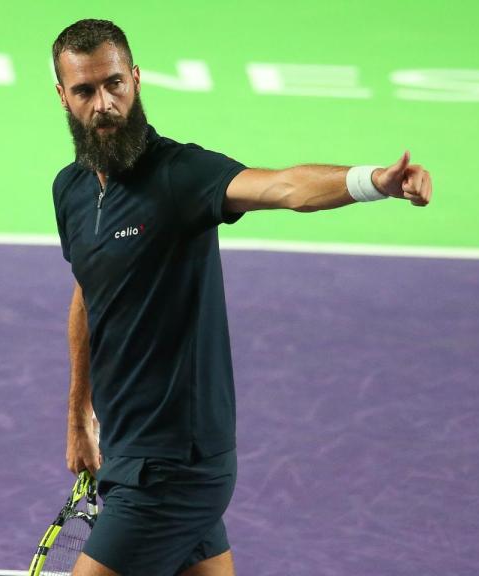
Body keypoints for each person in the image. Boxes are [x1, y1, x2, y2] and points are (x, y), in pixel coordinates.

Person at [50, 19, 432, 576]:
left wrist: (374, 180)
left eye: (114, 84)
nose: (103, 103)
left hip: (173, 464)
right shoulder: (71, 190)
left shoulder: (180, 176)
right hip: (129, 447)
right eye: (85, 91)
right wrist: (78, 411)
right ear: (63, 96)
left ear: (135, 79)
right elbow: (88, 291)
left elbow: (286, 188)